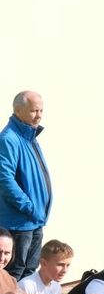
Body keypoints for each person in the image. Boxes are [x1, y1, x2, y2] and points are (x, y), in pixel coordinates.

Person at [0, 91, 52, 280]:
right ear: (18, 110)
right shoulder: (9, 139)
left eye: (41, 110)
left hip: (34, 220)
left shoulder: (29, 137)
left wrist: (37, 211)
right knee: (14, 274)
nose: (38, 115)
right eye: (33, 111)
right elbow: (4, 179)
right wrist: (29, 207)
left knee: (29, 273)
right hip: (19, 222)